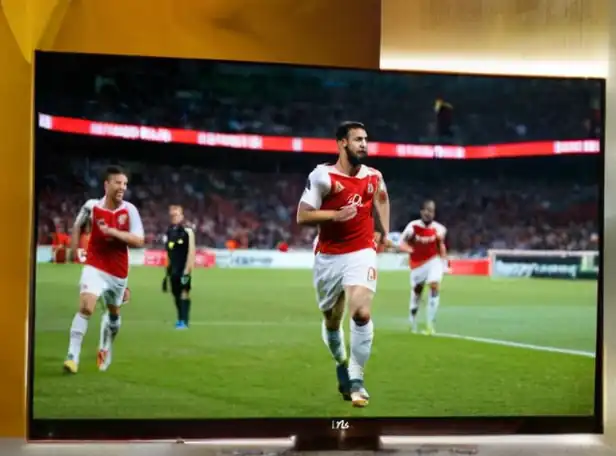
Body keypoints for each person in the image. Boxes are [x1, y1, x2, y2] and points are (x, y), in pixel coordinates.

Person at [296, 121, 390, 408]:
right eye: (357, 139)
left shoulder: (374, 176)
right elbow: (302, 216)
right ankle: (341, 361)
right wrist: (334, 215)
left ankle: (357, 377)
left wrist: (384, 232)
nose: (364, 144)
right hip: (328, 256)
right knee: (332, 320)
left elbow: (382, 197)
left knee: (361, 312)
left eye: (365, 139)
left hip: (361, 251)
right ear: (341, 143)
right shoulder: (323, 176)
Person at [63, 165, 144, 374]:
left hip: (118, 272)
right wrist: (73, 250)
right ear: (106, 184)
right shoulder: (91, 206)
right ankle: (72, 357)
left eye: (125, 184)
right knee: (86, 307)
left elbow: (139, 240)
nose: (122, 187)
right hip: (95, 266)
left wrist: (115, 233)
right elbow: (77, 225)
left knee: (114, 316)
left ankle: (105, 347)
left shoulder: (130, 210)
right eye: (118, 182)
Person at [399, 200, 448, 335]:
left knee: (434, 285)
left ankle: (430, 325)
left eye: (431, 211)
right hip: (417, 264)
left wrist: (445, 262)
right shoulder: (412, 227)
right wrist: (408, 249)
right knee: (417, 293)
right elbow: (401, 243)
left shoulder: (440, 229)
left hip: (434, 261)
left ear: (434, 213)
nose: (428, 213)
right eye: (426, 210)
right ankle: (412, 321)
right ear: (421, 211)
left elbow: (441, 246)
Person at [162, 205, 196, 329]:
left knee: (184, 292)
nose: (174, 217)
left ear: (181, 216)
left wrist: (188, 270)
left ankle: (184, 321)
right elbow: (169, 252)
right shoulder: (170, 231)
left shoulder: (187, 231)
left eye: (176, 215)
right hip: (173, 269)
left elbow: (191, 251)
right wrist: (167, 271)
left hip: (184, 269)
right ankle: (180, 319)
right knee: (176, 293)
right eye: (172, 215)